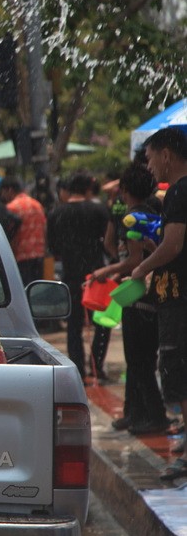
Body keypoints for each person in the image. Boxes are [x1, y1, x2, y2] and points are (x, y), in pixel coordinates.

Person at [128, 128, 187, 480]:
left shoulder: (179, 191)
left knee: (177, 368)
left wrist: (141, 267)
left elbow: (174, 245)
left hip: (178, 298)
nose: (149, 166)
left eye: (150, 157)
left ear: (167, 154)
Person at [92, 162, 167, 435]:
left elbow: (134, 260)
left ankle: (155, 416)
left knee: (138, 359)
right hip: (157, 292)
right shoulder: (158, 210)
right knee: (143, 357)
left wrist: (105, 270)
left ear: (124, 190)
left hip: (137, 293)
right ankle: (134, 413)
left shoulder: (131, 218)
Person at [47, 171, 112, 382]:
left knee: (73, 324)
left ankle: (78, 369)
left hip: (70, 274)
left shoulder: (56, 213)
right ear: (87, 189)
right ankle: (97, 364)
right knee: (101, 319)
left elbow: (53, 247)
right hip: (96, 274)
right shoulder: (100, 210)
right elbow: (108, 240)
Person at [0, 176, 46, 286]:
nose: (2, 196)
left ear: (10, 190)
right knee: (37, 289)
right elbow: (44, 228)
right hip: (39, 254)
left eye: (3, 192)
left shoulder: (11, 208)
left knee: (24, 289)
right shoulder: (37, 204)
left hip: (21, 256)